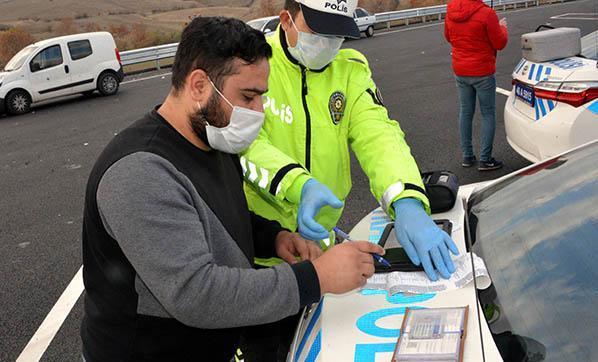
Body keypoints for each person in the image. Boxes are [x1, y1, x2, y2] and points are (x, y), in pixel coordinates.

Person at [79, 16, 384, 362]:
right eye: (249, 97)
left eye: (262, 97)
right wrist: (316, 278)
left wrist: (276, 237)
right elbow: (196, 293)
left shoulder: (212, 139)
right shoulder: (140, 172)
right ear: (198, 86)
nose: (259, 111)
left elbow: (219, 215)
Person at [238, 0, 460, 360]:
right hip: (258, 253)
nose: (328, 42)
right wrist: (299, 184)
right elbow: (246, 145)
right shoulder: (255, 65)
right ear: (287, 20)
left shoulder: (350, 69)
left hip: (319, 254)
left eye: (338, 32)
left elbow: (378, 135)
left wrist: (405, 200)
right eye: (319, 30)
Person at [444, 0, 508, 171]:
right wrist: (502, 27)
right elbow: (499, 43)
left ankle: (467, 156)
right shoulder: (487, 14)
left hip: (460, 69)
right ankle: (485, 159)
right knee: (488, 113)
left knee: (465, 112)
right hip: (482, 71)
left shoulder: (450, 11)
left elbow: (448, 37)